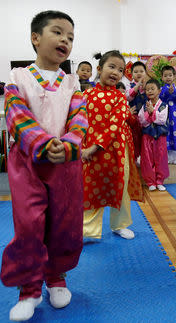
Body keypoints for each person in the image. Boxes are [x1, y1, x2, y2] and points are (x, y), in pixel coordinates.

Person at [1, 10, 88, 321]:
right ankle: (29, 289)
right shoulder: (18, 77)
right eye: (58, 32)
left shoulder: (72, 81)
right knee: (29, 224)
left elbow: (79, 118)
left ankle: (56, 278)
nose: (65, 40)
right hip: (28, 163)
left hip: (64, 163)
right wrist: (40, 142)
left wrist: (67, 145)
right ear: (36, 38)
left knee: (64, 223)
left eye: (71, 37)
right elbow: (15, 112)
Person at [82, 50, 143, 241]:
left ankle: (120, 224)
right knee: (92, 186)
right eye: (112, 67)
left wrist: (95, 146)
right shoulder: (86, 94)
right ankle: (88, 230)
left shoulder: (119, 97)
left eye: (120, 70)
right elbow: (79, 121)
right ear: (99, 69)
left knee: (120, 185)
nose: (116, 72)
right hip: (91, 149)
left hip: (118, 149)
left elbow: (116, 124)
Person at [140, 79, 169, 191]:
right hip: (147, 136)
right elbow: (142, 120)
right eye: (147, 89)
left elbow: (161, 120)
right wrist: (150, 114)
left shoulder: (163, 105)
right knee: (147, 158)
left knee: (160, 157)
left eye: (152, 89)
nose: (150, 91)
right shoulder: (144, 106)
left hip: (160, 136)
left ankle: (160, 181)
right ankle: (150, 182)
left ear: (159, 91)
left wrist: (152, 112)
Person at [160, 65, 176, 164]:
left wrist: (174, 93)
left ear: (174, 76)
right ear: (162, 77)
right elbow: (160, 99)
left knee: (175, 132)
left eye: (170, 75)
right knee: (165, 134)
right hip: (163, 116)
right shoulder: (161, 89)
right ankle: (165, 157)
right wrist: (167, 92)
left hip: (175, 116)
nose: (168, 77)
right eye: (165, 75)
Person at [126, 61, 148, 161]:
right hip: (134, 118)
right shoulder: (129, 85)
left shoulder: (149, 86)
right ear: (131, 74)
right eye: (136, 72)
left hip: (146, 118)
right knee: (135, 138)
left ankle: (145, 159)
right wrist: (137, 86)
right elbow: (128, 97)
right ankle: (134, 159)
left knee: (145, 139)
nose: (139, 73)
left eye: (141, 71)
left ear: (145, 73)